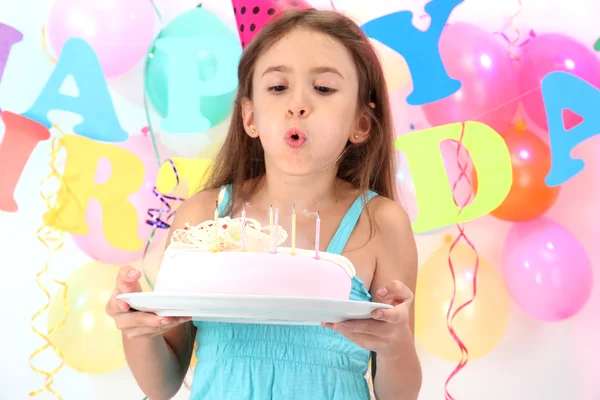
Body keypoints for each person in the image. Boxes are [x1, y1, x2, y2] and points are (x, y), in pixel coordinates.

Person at [106, 8, 421, 400]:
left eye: (323, 88)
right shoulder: (204, 217)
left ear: (361, 123)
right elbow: (162, 383)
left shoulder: (381, 224)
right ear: (250, 117)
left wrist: (395, 344)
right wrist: (137, 330)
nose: (298, 105)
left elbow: (400, 395)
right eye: (278, 88)